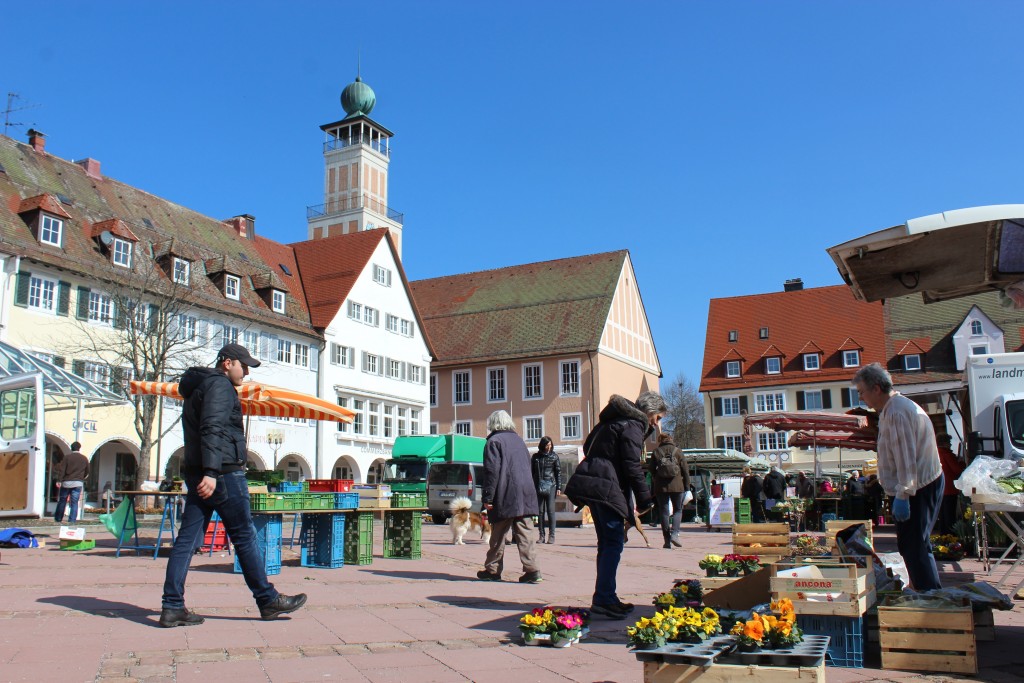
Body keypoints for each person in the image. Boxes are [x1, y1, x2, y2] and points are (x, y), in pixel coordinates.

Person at [161, 343, 307, 628]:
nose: (247, 372)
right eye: (244, 366)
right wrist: (213, 472)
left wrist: (204, 471)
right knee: (244, 536)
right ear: (228, 363)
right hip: (223, 474)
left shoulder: (197, 387)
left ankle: (172, 606)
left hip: (199, 472)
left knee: (187, 541)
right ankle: (267, 599)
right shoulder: (219, 386)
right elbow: (212, 427)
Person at [564, 391, 667, 619]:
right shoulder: (632, 425)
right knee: (613, 543)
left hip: (597, 486)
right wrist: (645, 499)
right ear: (649, 412)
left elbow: (588, 445)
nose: (657, 423)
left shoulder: (611, 422)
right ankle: (604, 598)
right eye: (657, 418)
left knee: (607, 543)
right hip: (606, 487)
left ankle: (606, 596)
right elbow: (631, 465)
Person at [854, 363, 943, 591]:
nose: (861, 397)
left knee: (914, 546)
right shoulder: (893, 409)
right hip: (918, 484)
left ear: (876, 388)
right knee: (915, 544)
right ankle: (927, 590)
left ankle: (929, 596)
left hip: (917, 487)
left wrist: (904, 492)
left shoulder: (897, 412)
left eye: (862, 392)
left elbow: (905, 456)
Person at [477, 410, 542, 583]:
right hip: (525, 493)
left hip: (505, 493)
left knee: (498, 533)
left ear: (493, 423)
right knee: (526, 532)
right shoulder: (520, 441)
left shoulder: (494, 441)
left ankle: (493, 569)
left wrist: (488, 498)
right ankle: (532, 570)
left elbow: (492, 472)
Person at [649, 432, 690, 549]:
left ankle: (667, 540)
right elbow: (685, 470)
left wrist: (656, 477)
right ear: (671, 439)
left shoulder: (656, 452)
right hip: (677, 485)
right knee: (678, 510)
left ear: (660, 440)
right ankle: (675, 534)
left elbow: (651, 469)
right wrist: (687, 486)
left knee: (664, 511)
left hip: (661, 486)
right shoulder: (678, 451)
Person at [531, 436, 562, 544]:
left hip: (551, 485)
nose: (549, 447)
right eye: (547, 445)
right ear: (542, 445)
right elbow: (532, 472)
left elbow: (558, 472)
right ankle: (541, 535)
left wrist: (559, 487)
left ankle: (552, 535)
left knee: (550, 511)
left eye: (550, 445)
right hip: (538, 485)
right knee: (540, 512)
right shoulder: (536, 457)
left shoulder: (554, 457)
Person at [936, 433, 965, 535]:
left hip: (939, 489)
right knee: (950, 515)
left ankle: (943, 536)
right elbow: (957, 470)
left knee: (942, 515)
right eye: (949, 442)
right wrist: (962, 462)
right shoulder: (947, 455)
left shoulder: (935, 454)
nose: (950, 445)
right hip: (949, 489)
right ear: (944, 443)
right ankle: (950, 536)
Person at [54, 442, 89, 524]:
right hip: (78, 483)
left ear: (71, 448)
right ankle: (72, 520)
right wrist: (81, 477)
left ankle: (58, 518)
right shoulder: (84, 458)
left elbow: (62, 470)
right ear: (79, 448)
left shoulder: (67, 458)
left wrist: (59, 480)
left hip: (66, 482)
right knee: (74, 502)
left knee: (62, 500)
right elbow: (87, 471)